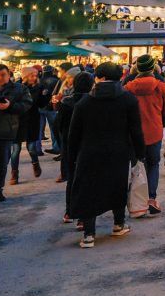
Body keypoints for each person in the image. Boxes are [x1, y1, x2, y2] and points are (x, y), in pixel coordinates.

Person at [68, 62, 145, 248]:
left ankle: (88, 234)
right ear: (120, 77)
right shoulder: (128, 99)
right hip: (118, 151)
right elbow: (136, 130)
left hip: (89, 151)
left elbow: (74, 134)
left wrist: (71, 157)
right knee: (117, 185)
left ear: (98, 77)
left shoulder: (85, 102)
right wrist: (140, 154)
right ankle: (118, 224)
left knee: (89, 189)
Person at [125, 55, 165, 215]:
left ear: (137, 68)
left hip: (133, 133)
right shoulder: (161, 86)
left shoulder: (128, 87)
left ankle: (137, 201)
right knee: (153, 165)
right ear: (152, 68)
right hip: (154, 131)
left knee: (136, 166)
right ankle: (151, 198)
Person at [0, 64, 33, 202]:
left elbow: (26, 105)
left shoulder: (19, 88)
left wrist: (9, 106)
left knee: (1, 164)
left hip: (6, 132)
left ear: (8, 75)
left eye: (2, 75)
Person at [57, 71, 93, 223]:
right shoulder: (92, 102)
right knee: (87, 179)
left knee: (72, 178)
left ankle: (69, 211)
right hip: (87, 144)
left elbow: (58, 125)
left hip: (70, 144)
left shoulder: (66, 102)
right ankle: (83, 218)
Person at [10, 66, 44, 185]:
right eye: (32, 75)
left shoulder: (39, 87)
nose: (34, 78)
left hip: (32, 120)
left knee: (31, 148)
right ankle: (14, 174)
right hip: (18, 121)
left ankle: (35, 163)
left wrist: (46, 96)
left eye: (36, 75)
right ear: (25, 75)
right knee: (16, 149)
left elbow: (41, 104)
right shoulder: (16, 87)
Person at [37, 65, 61, 154]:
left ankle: (37, 149)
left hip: (40, 107)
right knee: (54, 128)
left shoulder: (39, 80)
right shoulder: (56, 81)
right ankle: (56, 147)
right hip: (51, 107)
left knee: (38, 129)